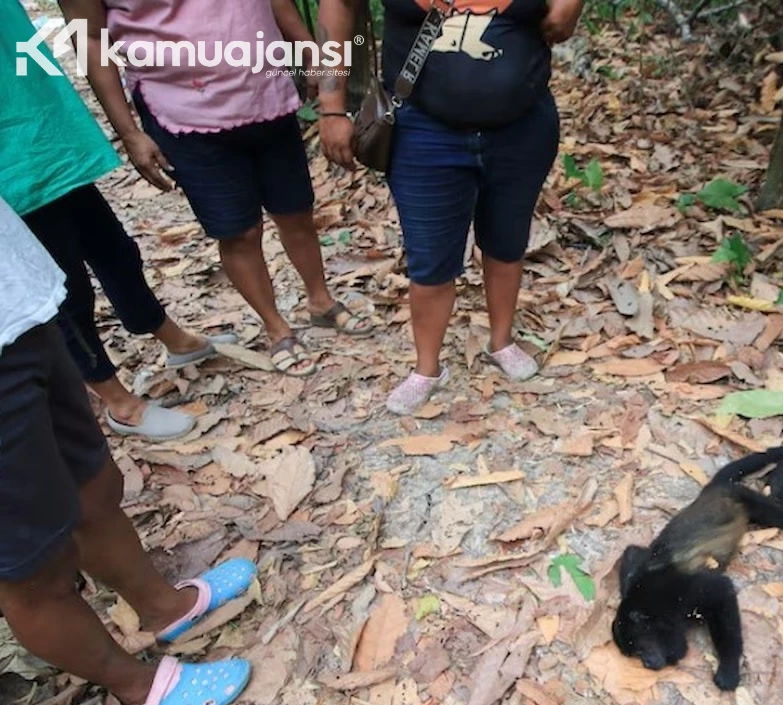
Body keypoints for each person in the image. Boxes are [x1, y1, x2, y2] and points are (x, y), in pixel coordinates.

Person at [0, 193, 254, 705]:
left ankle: (165, 606)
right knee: (29, 566)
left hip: (23, 301)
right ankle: (137, 687)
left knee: (94, 484)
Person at [62, 0, 375, 378]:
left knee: (295, 210)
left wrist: (308, 48)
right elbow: (92, 37)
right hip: (181, 110)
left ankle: (321, 301)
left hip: (264, 90)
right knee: (238, 231)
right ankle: (276, 328)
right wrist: (129, 132)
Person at [316, 0, 582, 414]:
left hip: (522, 125)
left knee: (507, 240)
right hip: (423, 128)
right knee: (431, 258)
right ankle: (427, 368)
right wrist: (331, 103)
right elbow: (338, 6)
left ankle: (502, 341)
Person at [0, 0, 224, 440]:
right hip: (12, 170)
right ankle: (119, 402)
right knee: (66, 293)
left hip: (45, 135)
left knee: (116, 252)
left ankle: (173, 339)